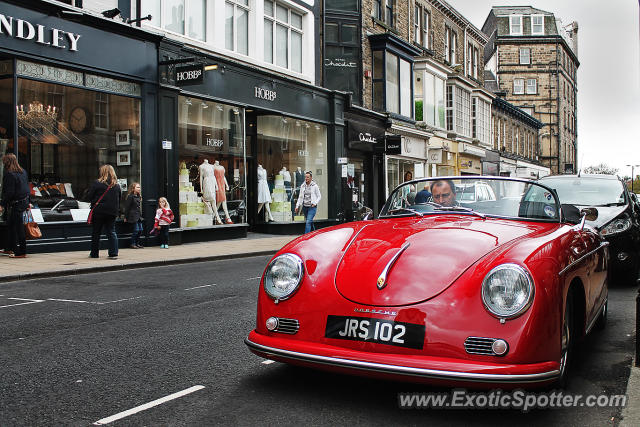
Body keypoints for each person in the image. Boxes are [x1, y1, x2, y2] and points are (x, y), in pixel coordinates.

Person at [87, 164, 121, 259]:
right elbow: (119, 199)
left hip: (99, 212)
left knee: (96, 232)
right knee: (111, 232)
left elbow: (89, 196)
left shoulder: (97, 183)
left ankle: (94, 253)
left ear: (102, 172)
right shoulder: (117, 186)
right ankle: (113, 253)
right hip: (112, 212)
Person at [0, 154, 30, 258]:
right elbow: (26, 188)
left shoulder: (10, 174)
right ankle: (10, 248)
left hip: (17, 204)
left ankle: (22, 252)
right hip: (23, 202)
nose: (3, 165)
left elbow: (10, 193)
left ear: (7, 163)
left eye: (4, 163)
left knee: (18, 228)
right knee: (11, 226)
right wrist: (28, 202)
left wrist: (2, 204)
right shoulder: (23, 172)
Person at [124, 182, 144, 249]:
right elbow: (127, 207)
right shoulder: (130, 197)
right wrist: (125, 217)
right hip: (133, 216)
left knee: (140, 230)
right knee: (136, 230)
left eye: (139, 187)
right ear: (133, 189)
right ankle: (132, 243)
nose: (139, 189)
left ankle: (137, 243)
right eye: (137, 187)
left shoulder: (138, 196)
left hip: (138, 216)